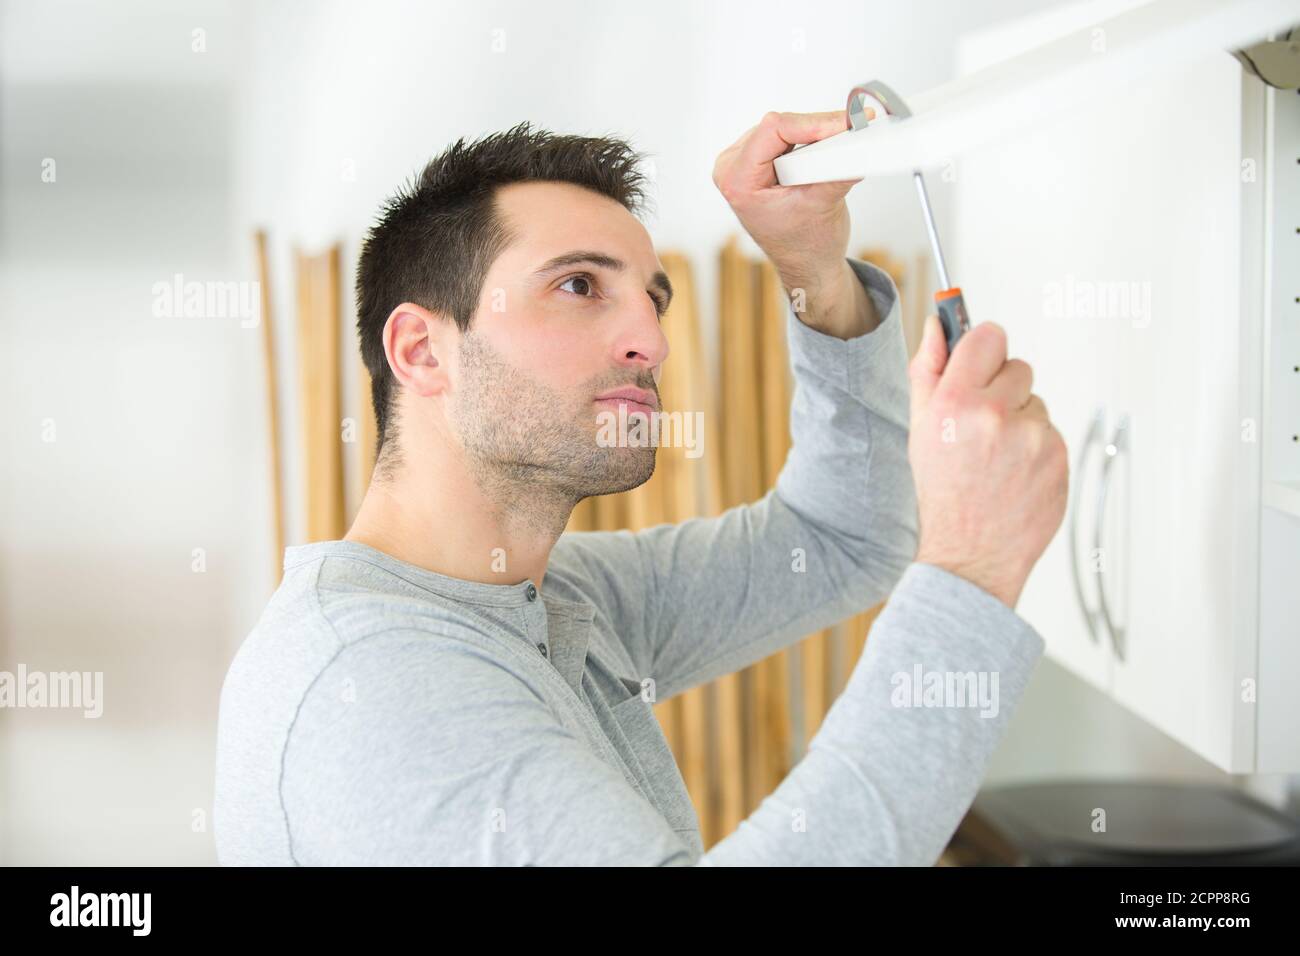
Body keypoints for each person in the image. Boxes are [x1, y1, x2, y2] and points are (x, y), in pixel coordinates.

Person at [214, 113, 1068, 865]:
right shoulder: (375, 685)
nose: (651, 343)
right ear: (422, 351)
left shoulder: (549, 600)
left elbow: (839, 539)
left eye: (652, 301)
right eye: (578, 286)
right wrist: (970, 571)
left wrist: (815, 272)